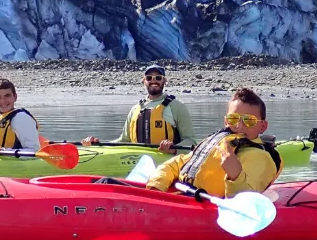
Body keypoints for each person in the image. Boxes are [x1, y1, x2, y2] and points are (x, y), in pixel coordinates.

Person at [146, 88, 282, 198]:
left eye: (249, 121)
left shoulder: (260, 158)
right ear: (226, 121)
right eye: (233, 119)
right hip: (188, 195)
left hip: (210, 208)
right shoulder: (220, 142)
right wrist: (156, 186)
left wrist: (235, 175)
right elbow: (177, 163)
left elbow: (245, 202)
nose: (240, 126)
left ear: (263, 126)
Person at [82, 64, 197, 153]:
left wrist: (174, 149)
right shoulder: (135, 109)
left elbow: (191, 141)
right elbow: (124, 141)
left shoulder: (177, 107)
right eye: (149, 77)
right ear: (144, 81)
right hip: (136, 160)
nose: (153, 80)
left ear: (164, 81)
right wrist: (99, 144)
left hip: (167, 161)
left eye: (158, 77)